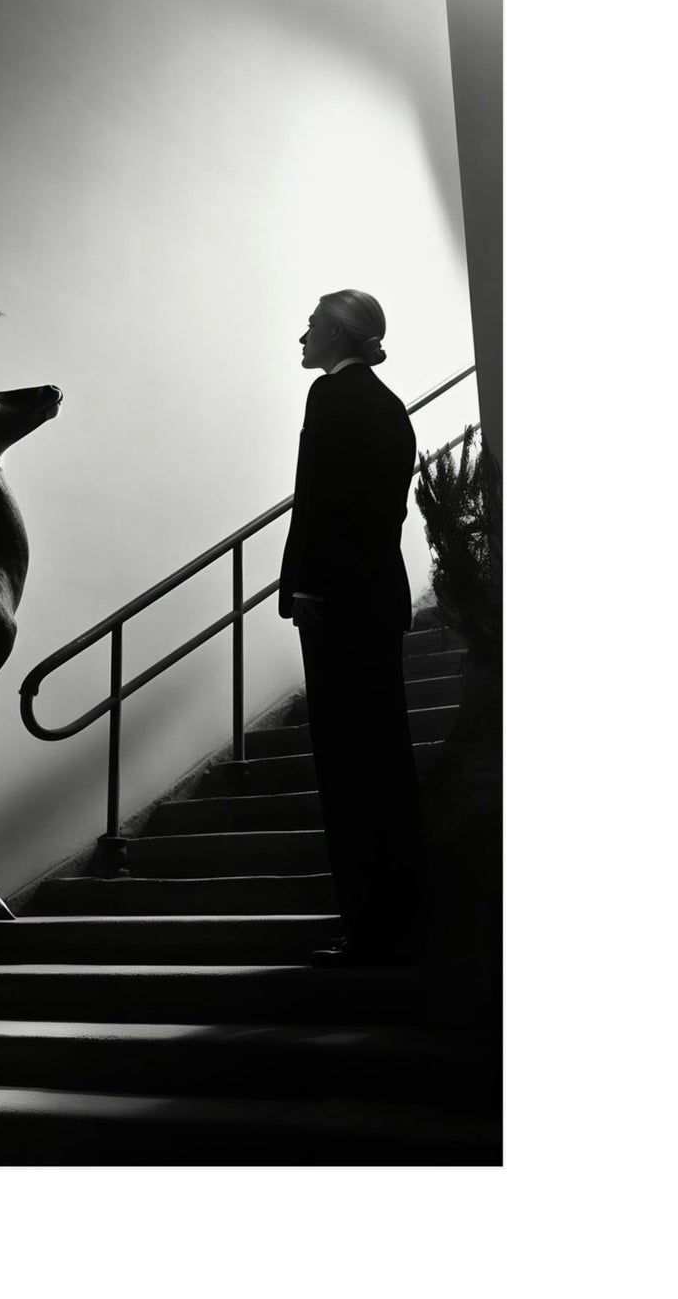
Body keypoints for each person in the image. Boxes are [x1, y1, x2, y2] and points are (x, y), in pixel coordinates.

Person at [278, 290, 422, 966]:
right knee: (384, 766)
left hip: (336, 607)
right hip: (375, 601)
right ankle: (396, 924)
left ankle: (368, 930)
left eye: (310, 326)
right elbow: (375, 514)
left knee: (347, 771)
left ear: (336, 332)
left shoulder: (332, 398)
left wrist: (304, 586)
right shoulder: (388, 404)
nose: (300, 337)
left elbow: (323, 501)